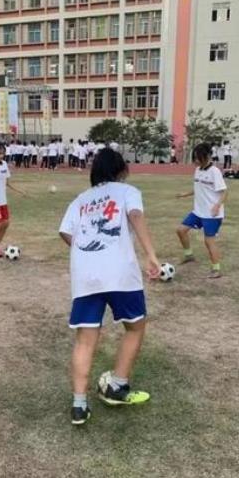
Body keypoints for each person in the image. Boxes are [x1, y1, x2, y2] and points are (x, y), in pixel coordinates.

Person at [58, 149, 160, 426]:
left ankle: (79, 406)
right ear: (121, 170)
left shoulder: (80, 200)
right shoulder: (127, 191)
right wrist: (151, 254)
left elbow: (65, 232)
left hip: (86, 275)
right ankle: (117, 385)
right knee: (135, 327)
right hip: (120, 274)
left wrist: (86, 252)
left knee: (85, 339)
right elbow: (136, 216)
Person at [176, 143, 228, 279]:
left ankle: (216, 269)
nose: (197, 161)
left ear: (208, 156)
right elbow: (198, 188)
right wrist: (185, 194)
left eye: (199, 158)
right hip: (198, 212)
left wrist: (217, 206)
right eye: (195, 158)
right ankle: (189, 255)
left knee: (208, 241)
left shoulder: (215, 172)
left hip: (211, 215)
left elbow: (224, 192)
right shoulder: (198, 170)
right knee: (181, 230)